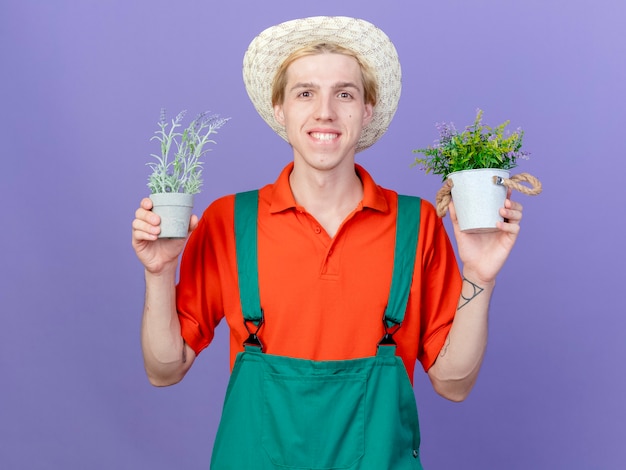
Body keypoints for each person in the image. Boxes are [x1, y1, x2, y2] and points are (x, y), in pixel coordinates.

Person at [132, 16, 524, 469]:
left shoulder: (415, 226)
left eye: (344, 93)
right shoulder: (228, 221)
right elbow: (163, 370)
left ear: (367, 109)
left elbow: (453, 383)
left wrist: (479, 275)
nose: (325, 112)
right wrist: (158, 273)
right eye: (304, 93)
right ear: (279, 109)